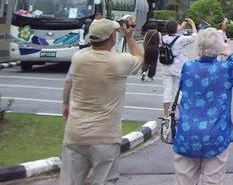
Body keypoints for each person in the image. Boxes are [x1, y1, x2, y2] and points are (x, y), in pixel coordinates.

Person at [59, 18, 143, 185]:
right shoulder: (118, 62)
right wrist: (129, 37)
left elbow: (69, 81)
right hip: (105, 135)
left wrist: (65, 103)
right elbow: (140, 57)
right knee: (103, 180)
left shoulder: (78, 58)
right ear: (112, 37)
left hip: (76, 132)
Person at [173, 28, 233, 184]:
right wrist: (230, 55)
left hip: (187, 133)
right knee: (212, 181)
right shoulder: (226, 69)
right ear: (219, 48)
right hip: (216, 133)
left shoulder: (187, 67)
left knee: (183, 181)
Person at [161, 18, 197, 120]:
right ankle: (182, 114)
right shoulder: (181, 40)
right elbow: (194, 37)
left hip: (166, 67)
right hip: (178, 68)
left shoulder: (164, 38)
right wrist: (192, 24)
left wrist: (180, 26)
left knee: (167, 90)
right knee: (178, 91)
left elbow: (172, 34)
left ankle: (165, 114)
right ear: (176, 29)